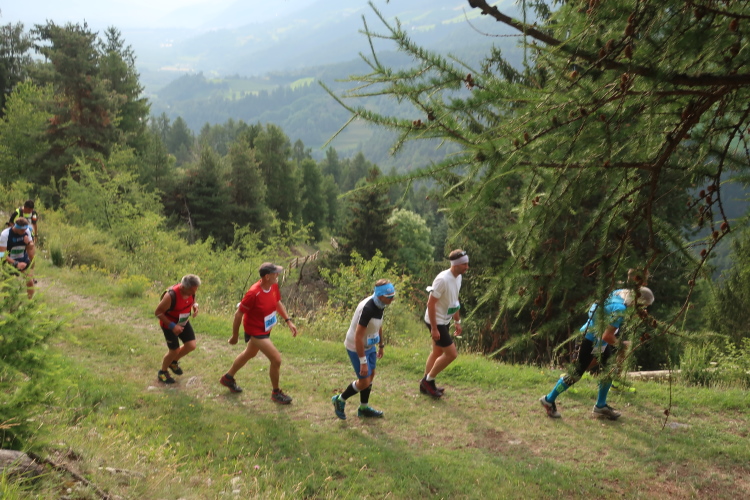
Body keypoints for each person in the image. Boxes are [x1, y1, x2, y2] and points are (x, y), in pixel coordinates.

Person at [539, 286, 655, 420]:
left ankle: (600, 406)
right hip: (589, 340)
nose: (644, 310)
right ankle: (548, 399)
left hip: (598, 341)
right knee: (575, 375)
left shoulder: (619, 294)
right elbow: (607, 336)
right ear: (638, 300)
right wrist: (623, 345)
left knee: (608, 370)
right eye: (644, 306)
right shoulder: (620, 309)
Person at [220, 262, 298, 404]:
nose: (278, 275)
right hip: (255, 330)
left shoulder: (273, 286)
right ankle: (276, 393)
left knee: (249, 354)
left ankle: (228, 378)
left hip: (265, 328)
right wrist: (235, 336)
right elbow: (238, 314)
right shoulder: (253, 293)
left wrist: (288, 321)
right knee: (276, 359)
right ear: (267, 276)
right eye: (275, 273)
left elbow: (277, 302)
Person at [332, 279, 396, 420]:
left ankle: (363, 408)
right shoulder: (367, 309)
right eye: (390, 297)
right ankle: (340, 399)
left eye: (393, 295)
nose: (392, 299)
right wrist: (363, 362)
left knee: (371, 375)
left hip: (369, 345)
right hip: (356, 346)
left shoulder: (381, 304)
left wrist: (381, 345)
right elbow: (358, 337)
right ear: (380, 295)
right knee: (364, 381)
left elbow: (378, 325)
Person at [419, 249, 469, 398]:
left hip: (445, 319)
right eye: (464, 264)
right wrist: (434, 328)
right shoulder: (442, 280)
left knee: (437, 352)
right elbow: (430, 304)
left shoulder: (458, 277)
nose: (467, 267)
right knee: (451, 354)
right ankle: (428, 381)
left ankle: (425, 383)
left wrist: (457, 321)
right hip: (436, 321)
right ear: (456, 265)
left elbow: (454, 300)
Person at [154, 274, 201, 384]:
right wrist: (172, 326)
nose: (194, 293)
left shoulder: (191, 291)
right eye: (191, 291)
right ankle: (162, 372)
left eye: (195, 290)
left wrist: (195, 305)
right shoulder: (170, 296)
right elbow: (158, 312)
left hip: (183, 321)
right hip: (169, 324)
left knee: (191, 345)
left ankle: (173, 362)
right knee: (174, 350)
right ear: (183, 287)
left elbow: (192, 298)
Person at [0, 217, 36, 298]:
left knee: (30, 281)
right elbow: (1, 254)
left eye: (25, 229)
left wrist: (28, 243)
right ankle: (8, 303)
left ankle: (30, 303)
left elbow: (31, 246)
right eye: (22, 230)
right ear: (16, 227)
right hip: (9, 261)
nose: (24, 231)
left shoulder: (27, 231)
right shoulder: (5, 234)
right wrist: (16, 263)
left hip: (22, 259)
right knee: (8, 285)